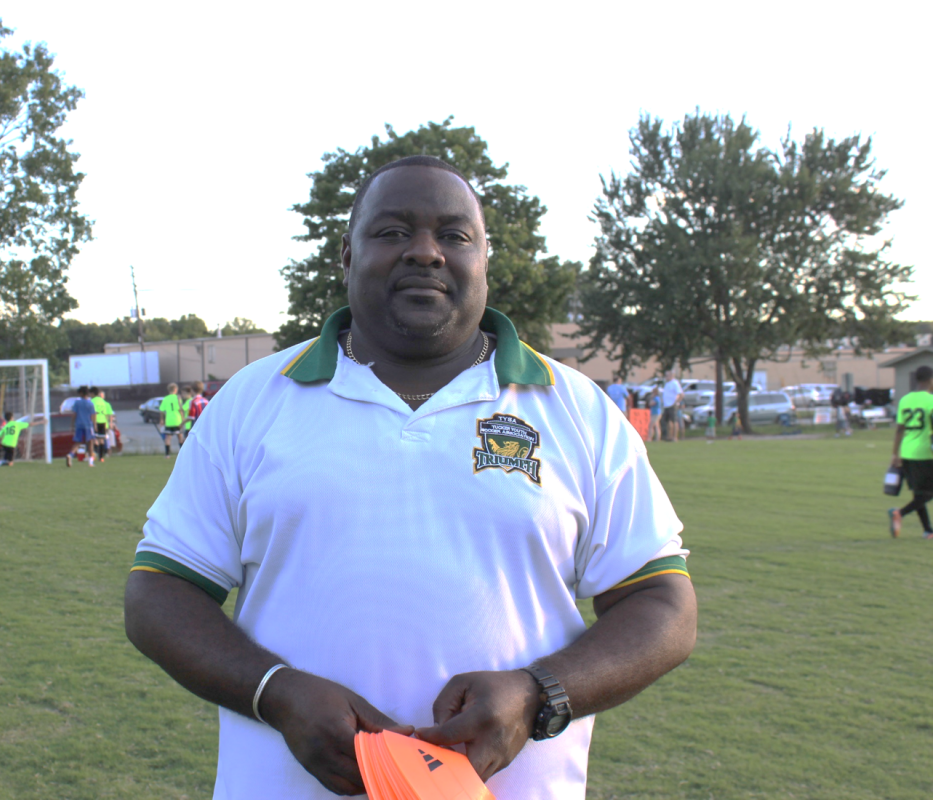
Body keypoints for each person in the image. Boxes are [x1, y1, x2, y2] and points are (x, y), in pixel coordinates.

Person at [124, 156, 696, 799]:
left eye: (454, 235)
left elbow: (664, 605)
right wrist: (274, 693)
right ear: (347, 255)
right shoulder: (253, 400)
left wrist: (539, 693)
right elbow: (158, 591)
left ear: (484, 258)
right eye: (393, 231)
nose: (425, 252)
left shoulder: (578, 409)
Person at [889, 365, 933, 539]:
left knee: (918, 493)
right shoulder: (930, 400)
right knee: (927, 493)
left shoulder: (905, 400)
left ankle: (928, 531)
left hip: (907, 452)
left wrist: (895, 454)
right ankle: (899, 513)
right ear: (930, 380)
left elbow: (899, 429)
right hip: (925, 453)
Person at [66, 386, 95, 467]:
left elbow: (74, 414)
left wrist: (72, 425)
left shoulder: (77, 403)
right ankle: (91, 462)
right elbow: (93, 415)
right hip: (88, 425)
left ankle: (70, 455)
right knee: (90, 443)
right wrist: (95, 425)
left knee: (78, 442)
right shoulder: (90, 403)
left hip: (79, 425)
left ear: (81, 393)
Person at [158, 382, 183, 457]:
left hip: (169, 421)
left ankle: (167, 455)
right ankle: (182, 455)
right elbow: (180, 409)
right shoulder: (177, 398)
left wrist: (162, 419)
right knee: (180, 437)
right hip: (177, 420)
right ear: (175, 389)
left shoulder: (165, 398)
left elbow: (161, 410)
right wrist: (182, 419)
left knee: (168, 438)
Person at [91, 388, 114, 462]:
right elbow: (109, 414)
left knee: (94, 439)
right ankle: (101, 457)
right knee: (101, 440)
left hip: (95, 421)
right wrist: (109, 423)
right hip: (103, 422)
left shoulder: (92, 401)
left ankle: (93, 455)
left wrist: (93, 423)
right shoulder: (104, 403)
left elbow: (93, 413)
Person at [661, 370, 682, 441]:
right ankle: (669, 436)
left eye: (667, 375)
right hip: (666, 405)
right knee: (667, 421)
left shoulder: (675, 383)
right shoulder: (667, 384)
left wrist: (675, 402)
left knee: (674, 421)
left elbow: (680, 394)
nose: (665, 377)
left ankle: (675, 437)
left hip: (672, 405)